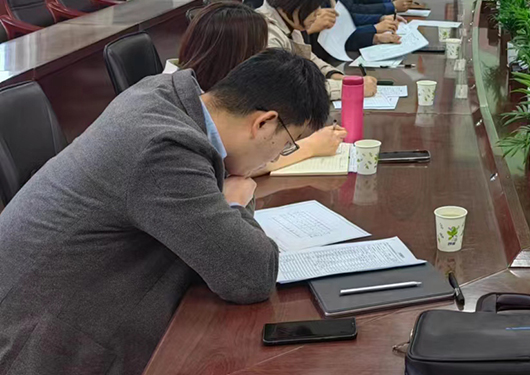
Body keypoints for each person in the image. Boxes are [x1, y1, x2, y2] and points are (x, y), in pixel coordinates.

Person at [0, 49, 330, 375]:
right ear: (264, 123)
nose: (278, 156)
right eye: (289, 143)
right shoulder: (164, 148)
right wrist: (233, 204)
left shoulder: (161, 94)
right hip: (43, 348)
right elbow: (252, 275)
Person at [166, 2, 347, 174]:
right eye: (259, 53)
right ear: (234, 57)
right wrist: (310, 147)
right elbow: (233, 165)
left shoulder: (197, 85)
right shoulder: (182, 112)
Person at [257, 0, 375, 100]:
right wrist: (349, 89)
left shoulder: (288, 22)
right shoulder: (267, 35)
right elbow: (288, 90)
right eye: (313, 5)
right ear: (292, 1)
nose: (318, 11)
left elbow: (308, 60)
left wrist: (337, 76)